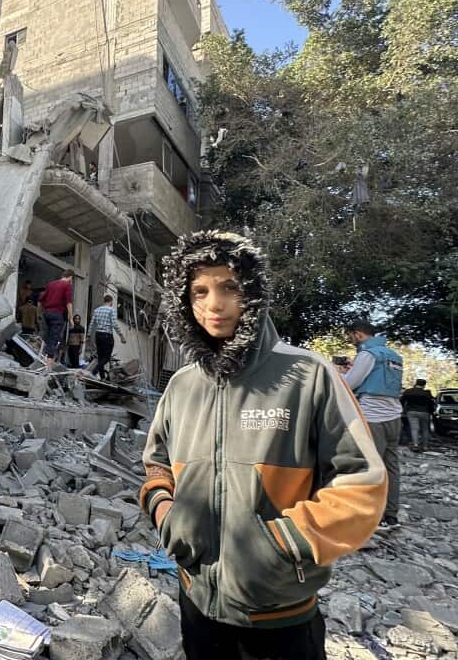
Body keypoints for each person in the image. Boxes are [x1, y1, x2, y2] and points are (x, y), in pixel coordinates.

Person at [140, 231, 386, 659]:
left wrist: (284, 544)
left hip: (281, 614)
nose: (213, 304)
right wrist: (166, 514)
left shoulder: (309, 375)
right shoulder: (181, 386)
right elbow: (155, 462)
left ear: (253, 293)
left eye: (229, 287)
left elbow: (362, 482)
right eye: (199, 291)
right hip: (195, 602)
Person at [341, 320, 405, 529]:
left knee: (369, 466)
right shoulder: (394, 356)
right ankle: (391, 515)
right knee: (391, 467)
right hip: (394, 416)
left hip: (372, 416)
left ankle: (369, 517)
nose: (350, 341)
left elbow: (350, 384)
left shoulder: (367, 354)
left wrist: (339, 372)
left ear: (358, 335)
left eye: (350, 336)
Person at [38, 270, 74, 368]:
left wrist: (40, 313)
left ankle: (43, 361)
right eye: (72, 279)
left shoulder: (51, 284)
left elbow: (41, 300)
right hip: (57, 315)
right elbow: (68, 303)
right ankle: (48, 367)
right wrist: (71, 318)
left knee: (47, 338)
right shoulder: (67, 285)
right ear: (70, 277)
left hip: (46, 313)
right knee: (54, 339)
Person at [87, 294, 125, 380]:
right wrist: (121, 335)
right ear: (111, 301)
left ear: (104, 301)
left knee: (100, 357)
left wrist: (88, 335)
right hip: (107, 335)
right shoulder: (111, 310)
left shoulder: (97, 310)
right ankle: (94, 371)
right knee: (107, 357)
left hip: (98, 335)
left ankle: (103, 378)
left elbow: (92, 323)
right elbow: (114, 324)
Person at [400, 379, 437, 451]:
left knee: (414, 428)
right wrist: (431, 412)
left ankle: (415, 445)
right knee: (425, 429)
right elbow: (431, 404)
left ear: (416, 383)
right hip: (424, 412)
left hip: (411, 411)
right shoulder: (427, 393)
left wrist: (403, 410)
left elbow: (402, 401)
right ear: (424, 385)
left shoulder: (408, 391)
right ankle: (425, 446)